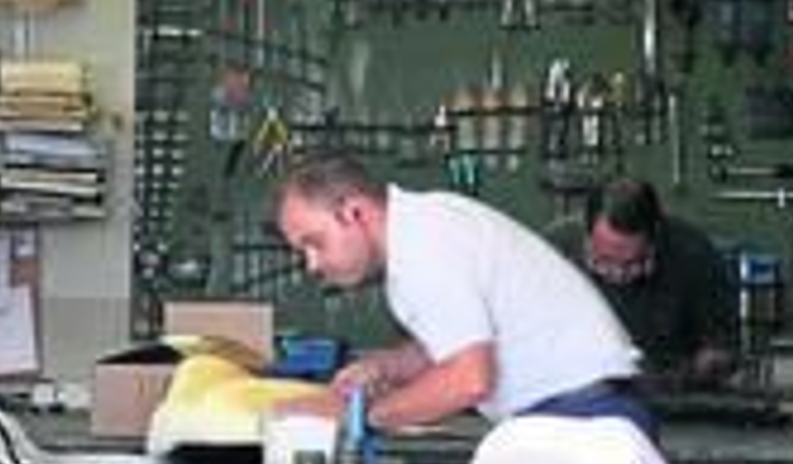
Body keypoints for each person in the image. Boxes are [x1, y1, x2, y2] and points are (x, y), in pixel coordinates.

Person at [273, 150, 654, 437]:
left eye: (315, 242)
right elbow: (458, 340)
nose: (312, 264)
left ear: (353, 213)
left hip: (585, 420)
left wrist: (361, 416)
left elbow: (469, 378)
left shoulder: (423, 247)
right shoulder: (425, 228)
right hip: (583, 414)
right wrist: (385, 367)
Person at [545, 177, 738, 391]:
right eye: (603, 262)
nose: (617, 275)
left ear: (655, 235)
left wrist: (682, 376)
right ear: (587, 235)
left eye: (632, 264)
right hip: (575, 392)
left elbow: (719, 350)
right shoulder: (553, 252)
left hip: (670, 398)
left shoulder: (694, 256)